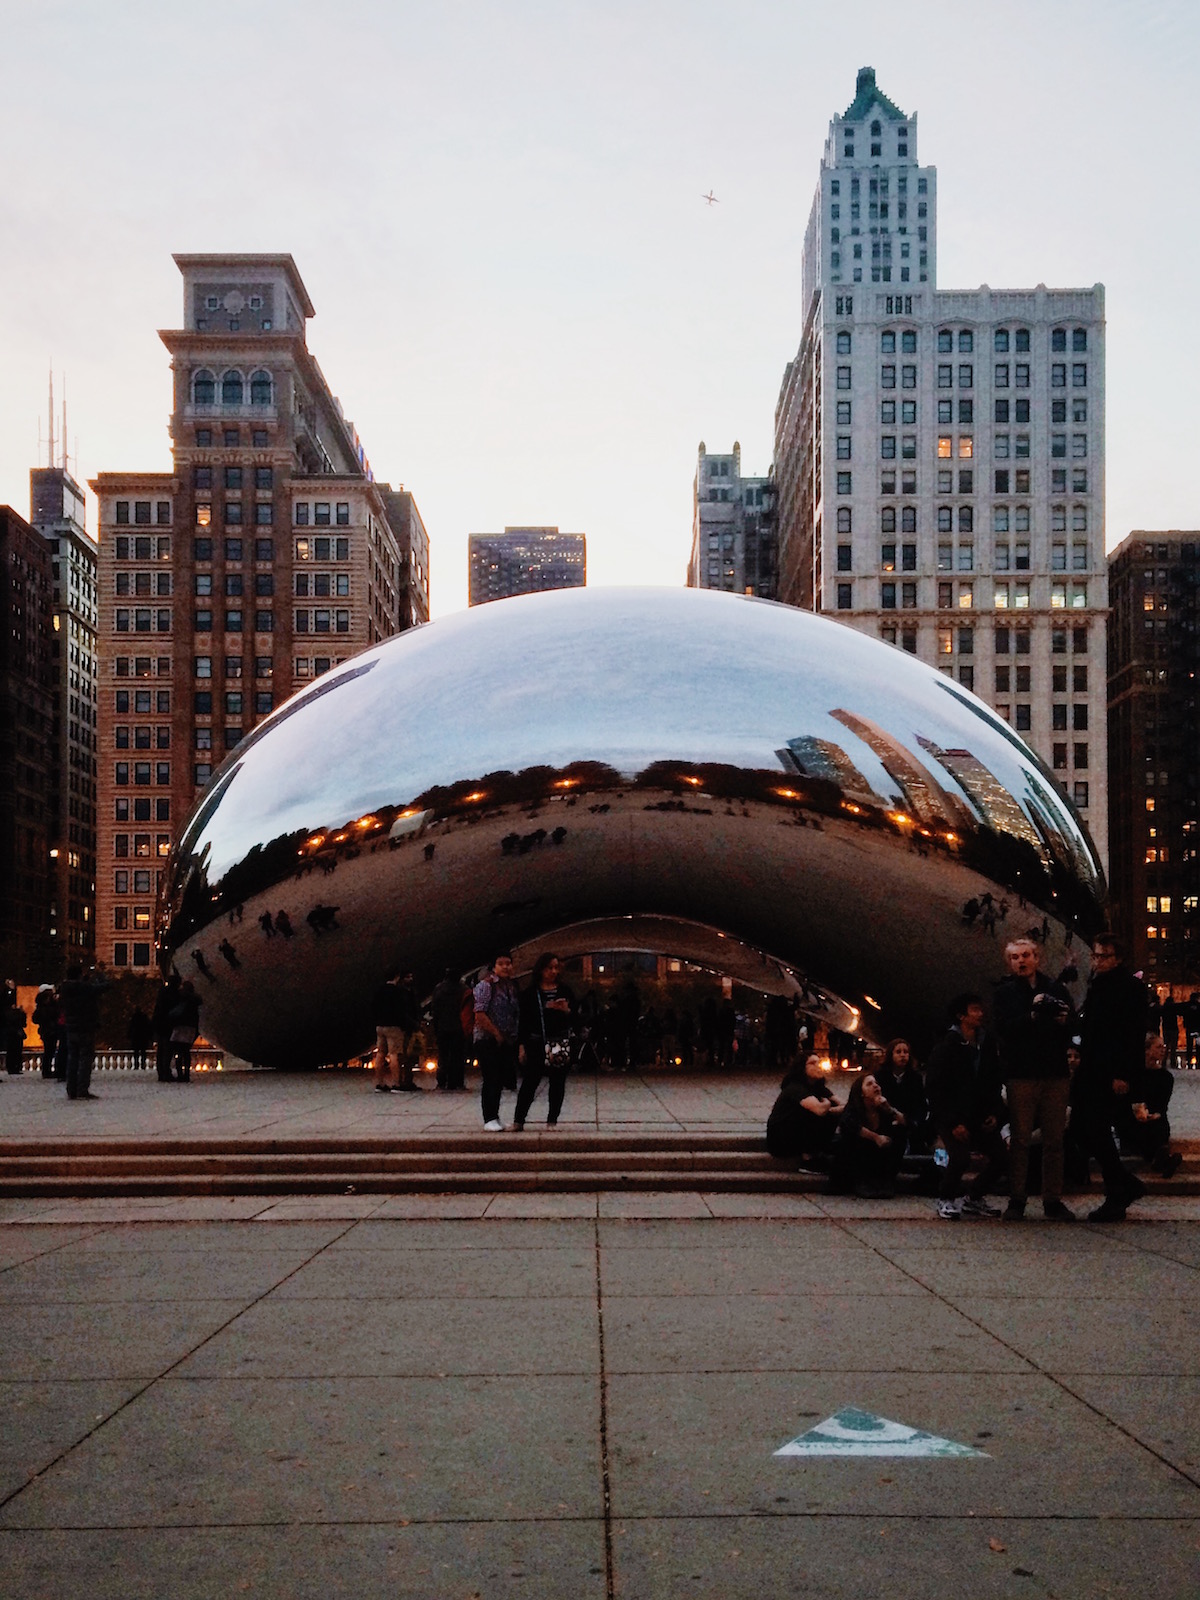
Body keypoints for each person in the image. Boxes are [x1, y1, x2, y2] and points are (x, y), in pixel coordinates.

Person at [993, 938, 1076, 1222]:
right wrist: (1031, 1015)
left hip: (1054, 1073)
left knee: (1054, 1140)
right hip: (1021, 1074)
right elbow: (1003, 1030)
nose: (1021, 961)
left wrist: (1063, 1021)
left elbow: (1073, 1025)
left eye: (1025, 955)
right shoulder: (1004, 994)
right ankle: (1017, 1198)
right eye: (1015, 957)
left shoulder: (1056, 989)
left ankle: (1052, 1199)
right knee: (1020, 1140)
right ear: (1009, 962)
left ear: (1037, 958)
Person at [1077, 935, 1149, 1222]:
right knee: (1086, 1129)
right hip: (1092, 1069)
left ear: (1118, 958)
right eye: (1095, 956)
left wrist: (1123, 1074)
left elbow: (1132, 1035)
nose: (1098, 961)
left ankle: (1118, 1192)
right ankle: (1124, 1185)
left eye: (1104, 956)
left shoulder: (1130, 988)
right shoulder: (1098, 984)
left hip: (1111, 1071)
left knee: (1095, 1128)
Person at [925, 994, 1006, 1221]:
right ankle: (946, 1197)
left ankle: (974, 1197)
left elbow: (994, 1080)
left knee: (1002, 1157)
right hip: (953, 1115)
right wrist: (952, 1122)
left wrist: (994, 1112)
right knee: (960, 1158)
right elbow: (936, 1087)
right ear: (961, 1016)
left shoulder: (987, 1042)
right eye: (974, 1010)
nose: (980, 1014)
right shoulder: (947, 1046)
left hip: (979, 1113)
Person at [512, 953, 575, 1130]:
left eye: (556, 968)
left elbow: (577, 1018)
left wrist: (566, 1010)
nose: (553, 971)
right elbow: (523, 1021)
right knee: (530, 1081)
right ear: (541, 970)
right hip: (535, 1041)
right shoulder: (530, 993)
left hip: (558, 1041)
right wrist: (522, 1045)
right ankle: (519, 1120)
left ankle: (552, 1120)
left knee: (557, 1082)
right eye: (549, 968)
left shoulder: (565, 991)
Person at [829, 1073, 905, 1197]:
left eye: (876, 1083)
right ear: (861, 1093)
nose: (875, 1086)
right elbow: (852, 1126)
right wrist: (876, 1138)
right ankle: (859, 1182)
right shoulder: (852, 1109)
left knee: (900, 1133)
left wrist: (889, 1109)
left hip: (878, 1156)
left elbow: (906, 1123)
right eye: (869, 1084)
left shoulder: (884, 1109)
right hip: (857, 1155)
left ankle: (885, 1181)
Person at [1117, 1034, 1181, 1178]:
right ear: (1146, 1050)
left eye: (1163, 1047)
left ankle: (1160, 1159)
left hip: (1153, 1118)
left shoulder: (1165, 1077)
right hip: (1133, 1117)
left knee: (1158, 1126)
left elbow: (1161, 1104)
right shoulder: (1133, 1074)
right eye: (1158, 1047)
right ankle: (1162, 1160)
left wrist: (1154, 1114)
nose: (1163, 1050)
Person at [766, 1054, 842, 1166]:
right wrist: (828, 1105)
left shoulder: (818, 1087)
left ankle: (820, 1149)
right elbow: (820, 1110)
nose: (818, 1066)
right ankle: (808, 1159)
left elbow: (844, 1105)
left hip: (797, 1135)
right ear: (801, 1067)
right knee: (819, 1114)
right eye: (812, 1063)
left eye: (819, 1063)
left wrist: (832, 1108)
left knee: (832, 1114)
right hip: (781, 1140)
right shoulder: (795, 1088)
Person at [474, 952, 520, 1130]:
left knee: (499, 1078)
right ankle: (489, 1117)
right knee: (491, 1077)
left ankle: (495, 1115)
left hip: (505, 1039)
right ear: (494, 967)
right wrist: (495, 1032)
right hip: (487, 1039)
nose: (506, 967)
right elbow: (479, 1013)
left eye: (508, 963)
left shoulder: (511, 986)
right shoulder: (486, 986)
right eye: (501, 964)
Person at [875, 1038, 931, 1156]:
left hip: (909, 1121)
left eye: (906, 1052)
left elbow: (921, 1104)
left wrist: (910, 1120)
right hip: (887, 1121)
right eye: (898, 1052)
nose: (903, 1055)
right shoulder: (880, 1076)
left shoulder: (915, 1078)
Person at [58, 965, 106, 1099]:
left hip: (71, 1027)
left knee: (72, 1058)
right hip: (85, 1026)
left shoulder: (65, 989)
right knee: (85, 1059)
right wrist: (100, 975)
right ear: (79, 975)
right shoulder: (84, 988)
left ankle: (71, 1089)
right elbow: (105, 986)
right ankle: (82, 1089)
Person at [430, 968, 469, 1092]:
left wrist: (436, 1027)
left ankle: (442, 1081)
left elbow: (435, 1009)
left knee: (443, 1055)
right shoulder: (464, 989)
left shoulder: (439, 989)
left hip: (443, 1026)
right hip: (459, 1026)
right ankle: (457, 1081)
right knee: (458, 1055)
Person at [371, 970, 409, 1093]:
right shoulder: (398, 991)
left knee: (380, 1053)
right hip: (393, 1026)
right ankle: (396, 1083)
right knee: (394, 1054)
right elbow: (402, 1010)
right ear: (397, 977)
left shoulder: (379, 990)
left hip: (380, 1025)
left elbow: (373, 1006)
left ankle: (379, 1083)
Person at [168, 980, 202, 1082]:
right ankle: (186, 1074)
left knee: (178, 1052)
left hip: (180, 1026)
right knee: (186, 1052)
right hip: (190, 1028)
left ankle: (180, 1073)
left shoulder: (180, 998)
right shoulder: (195, 1000)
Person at [153, 972, 181, 1081]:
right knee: (167, 1050)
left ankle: (162, 1072)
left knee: (161, 1050)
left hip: (160, 1024)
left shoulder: (162, 992)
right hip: (167, 1024)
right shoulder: (174, 994)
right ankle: (165, 1072)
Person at [33, 985, 59, 1078]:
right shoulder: (49, 1007)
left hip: (45, 1030)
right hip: (50, 1030)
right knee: (49, 1051)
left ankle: (46, 1070)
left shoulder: (40, 1006)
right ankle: (46, 1071)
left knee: (48, 1051)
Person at [3, 981, 25, 1076]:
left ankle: (14, 1067)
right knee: (13, 1049)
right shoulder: (8, 1010)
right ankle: (13, 1067)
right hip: (12, 1030)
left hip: (12, 1029)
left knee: (15, 1050)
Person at [127, 1006, 151, 1071]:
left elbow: (131, 1027)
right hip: (143, 1037)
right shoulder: (144, 1017)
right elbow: (148, 1027)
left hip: (136, 1037)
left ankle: (136, 1065)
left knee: (136, 1053)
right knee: (143, 1052)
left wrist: (129, 1035)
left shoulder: (134, 1017)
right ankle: (143, 1064)